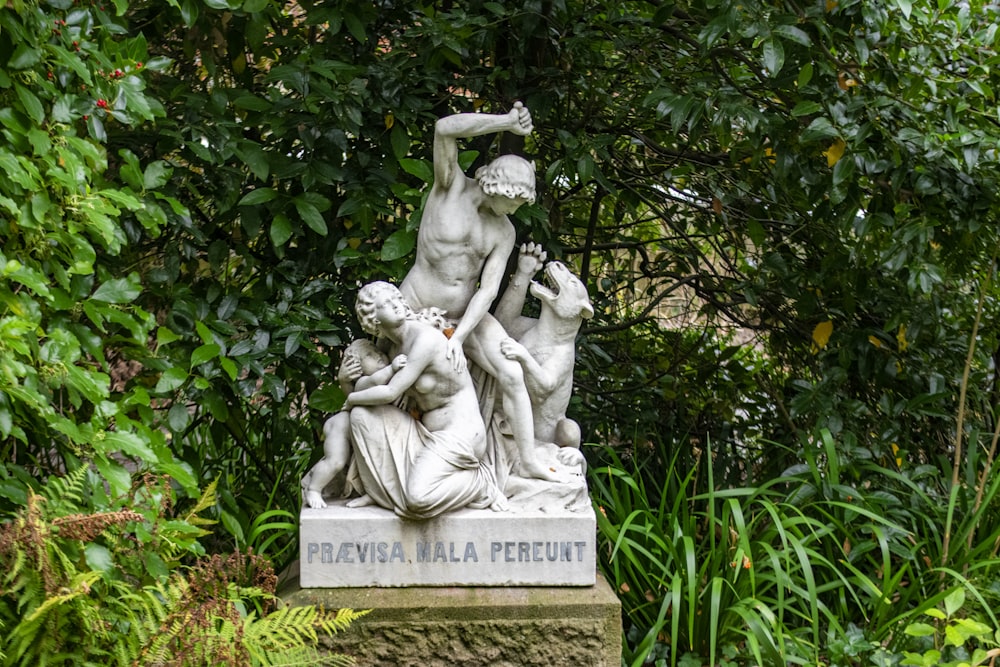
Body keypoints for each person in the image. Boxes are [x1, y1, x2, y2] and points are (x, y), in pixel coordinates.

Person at [399, 102, 560, 483]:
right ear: (495, 185)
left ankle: (529, 460)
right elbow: (444, 129)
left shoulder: (504, 231)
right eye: (514, 199)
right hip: (415, 308)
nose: (517, 208)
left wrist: (461, 337)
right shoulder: (449, 187)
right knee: (402, 385)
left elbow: (487, 290)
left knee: (511, 372)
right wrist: (505, 123)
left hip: (465, 318)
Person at [343, 281, 507, 519]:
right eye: (386, 304)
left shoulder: (425, 340)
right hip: (424, 434)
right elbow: (370, 385)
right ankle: (380, 492)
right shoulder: (390, 348)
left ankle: (481, 484)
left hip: (459, 434)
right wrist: (346, 384)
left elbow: (389, 392)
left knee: (418, 498)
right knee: (360, 416)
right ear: (374, 320)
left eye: (396, 298)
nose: (397, 305)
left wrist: (351, 398)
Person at [301, 339, 404, 509]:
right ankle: (314, 488)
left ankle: (372, 492)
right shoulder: (366, 382)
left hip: (364, 429)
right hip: (341, 427)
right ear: (357, 368)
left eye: (377, 351)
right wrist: (392, 367)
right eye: (369, 355)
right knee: (336, 461)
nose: (378, 355)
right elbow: (374, 383)